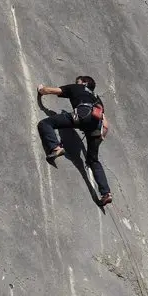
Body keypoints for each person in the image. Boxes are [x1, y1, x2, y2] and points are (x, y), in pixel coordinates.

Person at [37, 76, 112, 206]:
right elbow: (105, 124)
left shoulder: (77, 87)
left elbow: (51, 91)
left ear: (83, 82)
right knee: (93, 160)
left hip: (82, 115)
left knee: (45, 123)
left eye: (78, 81)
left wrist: (41, 89)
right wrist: (99, 138)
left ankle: (55, 147)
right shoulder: (96, 98)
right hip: (96, 126)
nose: (76, 82)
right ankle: (106, 193)